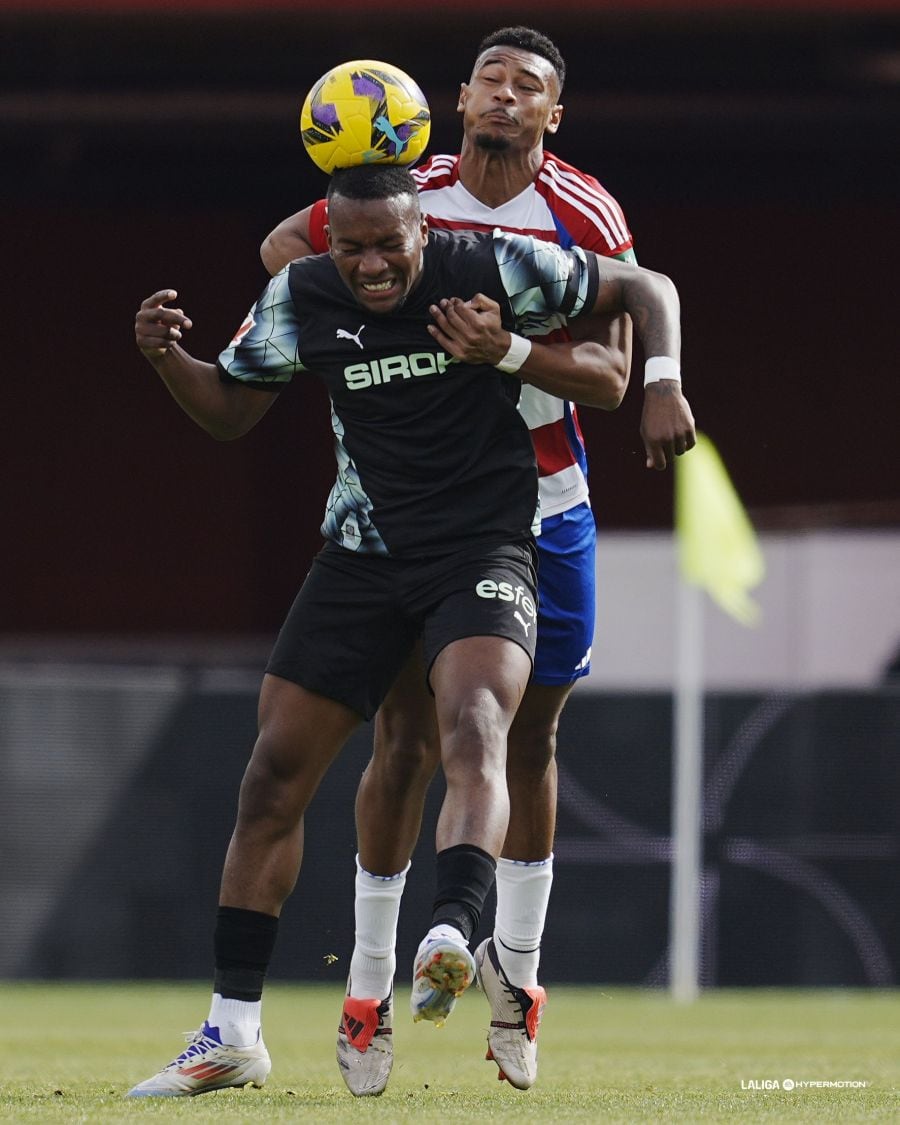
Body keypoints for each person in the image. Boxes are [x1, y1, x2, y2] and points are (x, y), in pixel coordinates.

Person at [126, 163, 685, 1098]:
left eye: (390, 243)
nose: (373, 265)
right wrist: (164, 360)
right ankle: (232, 1032)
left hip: (482, 545)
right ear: (328, 242)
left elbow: (645, 288)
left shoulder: (495, 265)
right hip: (362, 554)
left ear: (424, 229)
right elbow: (230, 409)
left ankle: (451, 931)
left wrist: (661, 380)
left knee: (476, 724)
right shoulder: (301, 293)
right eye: (351, 248)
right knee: (272, 775)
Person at [260, 28, 696, 1094]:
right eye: (490, 78)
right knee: (406, 738)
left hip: (545, 505)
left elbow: (605, 365)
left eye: (530, 86)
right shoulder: (409, 196)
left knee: (525, 738)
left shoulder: (583, 212)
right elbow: (283, 253)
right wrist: (385, 327)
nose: (506, 95)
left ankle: (520, 975)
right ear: (455, 100)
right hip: (428, 512)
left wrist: (511, 350)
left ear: (555, 115)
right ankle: (366, 991)